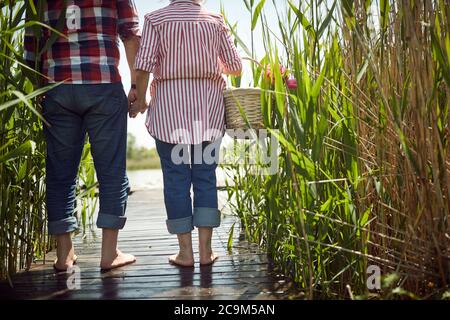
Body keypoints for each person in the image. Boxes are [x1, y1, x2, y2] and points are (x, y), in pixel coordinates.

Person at [24, 0, 141, 271]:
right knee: (111, 171)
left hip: (57, 87)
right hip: (102, 84)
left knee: (60, 173)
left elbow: (32, 43)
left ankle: (64, 256)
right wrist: (136, 85)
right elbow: (131, 34)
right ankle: (109, 254)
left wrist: (38, 90)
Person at [131, 0, 242, 267]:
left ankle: (185, 253)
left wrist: (142, 99)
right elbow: (235, 65)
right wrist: (208, 63)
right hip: (209, 109)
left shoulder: (155, 19)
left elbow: (143, 65)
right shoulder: (215, 21)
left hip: (169, 110)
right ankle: (205, 252)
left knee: (175, 179)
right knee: (205, 176)